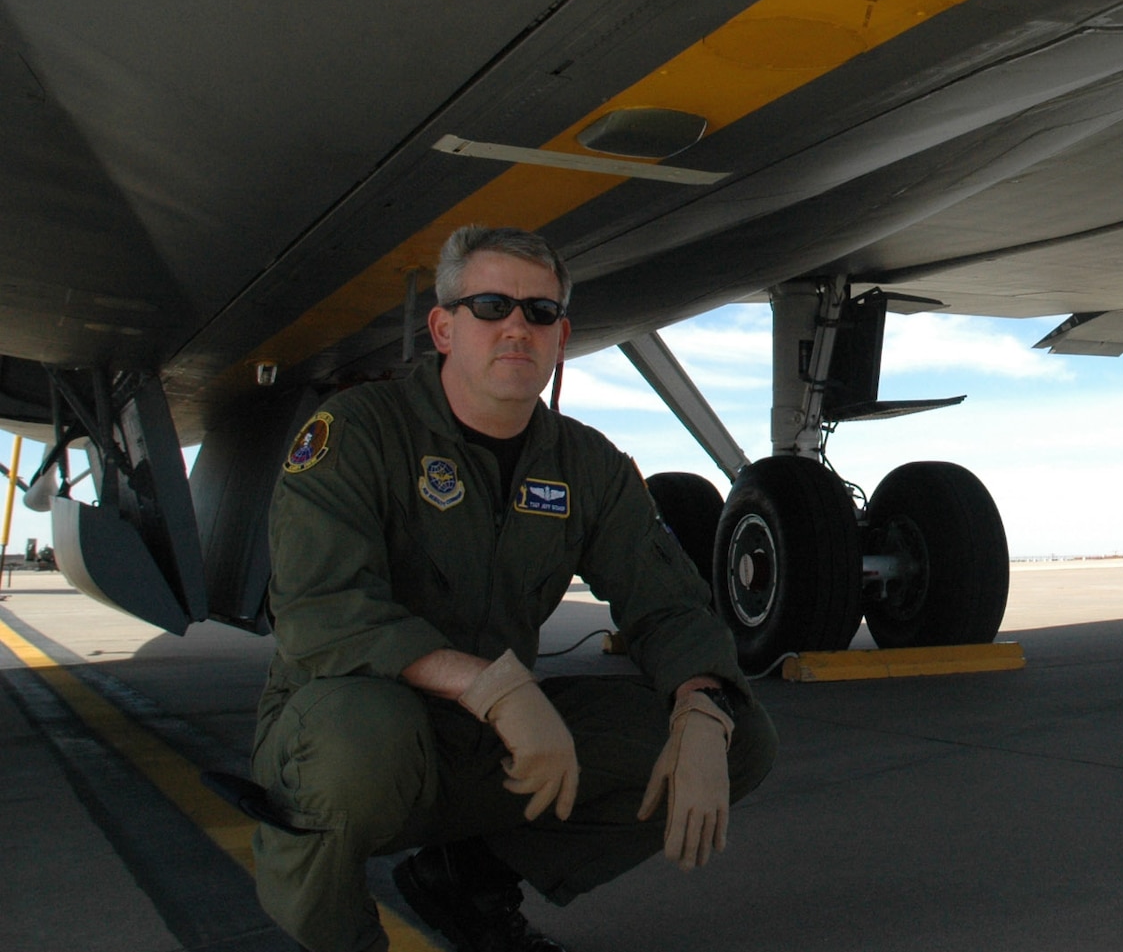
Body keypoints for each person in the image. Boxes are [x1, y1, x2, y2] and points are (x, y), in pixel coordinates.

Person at [251, 225, 775, 952]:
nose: (516, 328)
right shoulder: (359, 433)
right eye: (491, 305)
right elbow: (322, 612)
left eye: (539, 312)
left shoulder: (586, 465)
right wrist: (494, 686)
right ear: (443, 326)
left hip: (489, 744)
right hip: (354, 730)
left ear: (561, 337)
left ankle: (467, 880)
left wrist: (701, 706)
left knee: (740, 735)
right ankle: (337, 933)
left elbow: (669, 606)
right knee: (358, 739)